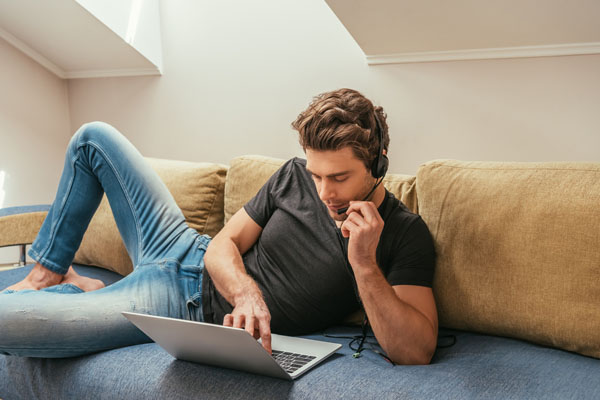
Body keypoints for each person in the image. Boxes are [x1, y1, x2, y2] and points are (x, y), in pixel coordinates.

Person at [0, 88, 438, 365]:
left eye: (339, 178)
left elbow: (414, 351)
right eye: (316, 174)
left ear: (378, 165)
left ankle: (87, 291)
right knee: (93, 137)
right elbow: (223, 244)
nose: (324, 191)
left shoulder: (404, 234)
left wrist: (362, 263)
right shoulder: (291, 175)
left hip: (178, 303)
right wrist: (248, 294)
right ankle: (47, 273)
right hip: (180, 246)